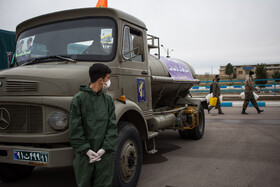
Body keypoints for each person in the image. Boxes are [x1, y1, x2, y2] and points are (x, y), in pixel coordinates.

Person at [69, 63, 118, 187]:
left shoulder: (107, 101)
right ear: (100, 80)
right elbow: (75, 128)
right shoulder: (79, 99)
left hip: (104, 156)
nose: (109, 82)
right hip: (84, 156)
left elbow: (112, 127)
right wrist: (86, 150)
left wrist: (104, 149)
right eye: (108, 78)